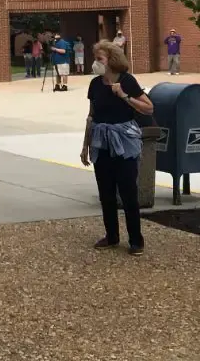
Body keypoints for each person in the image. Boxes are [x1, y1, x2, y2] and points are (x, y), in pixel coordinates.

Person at [80, 40, 153, 256]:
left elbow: (148, 108)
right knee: (106, 192)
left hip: (124, 141)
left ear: (111, 61)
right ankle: (112, 236)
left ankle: (136, 240)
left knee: (128, 191)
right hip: (101, 141)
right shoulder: (95, 85)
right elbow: (91, 116)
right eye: (96, 59)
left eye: (99, 59)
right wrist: (85, 146)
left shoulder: (127, 81)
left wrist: (124, 96)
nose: (96, 63)